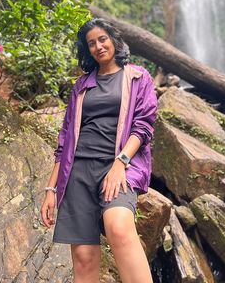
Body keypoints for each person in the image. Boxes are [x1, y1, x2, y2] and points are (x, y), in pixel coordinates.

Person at [40, 18, 158, 283]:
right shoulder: (81, 86)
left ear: (114, 40)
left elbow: (143, 125)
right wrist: (51, 189)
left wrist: (120, 163)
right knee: (83, 257)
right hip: (77, 173)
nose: (98, 46)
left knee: (119, 228)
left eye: (102, 39)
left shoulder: (138, 76)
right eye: (91, 43)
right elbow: (65, 139)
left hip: (117, 166)